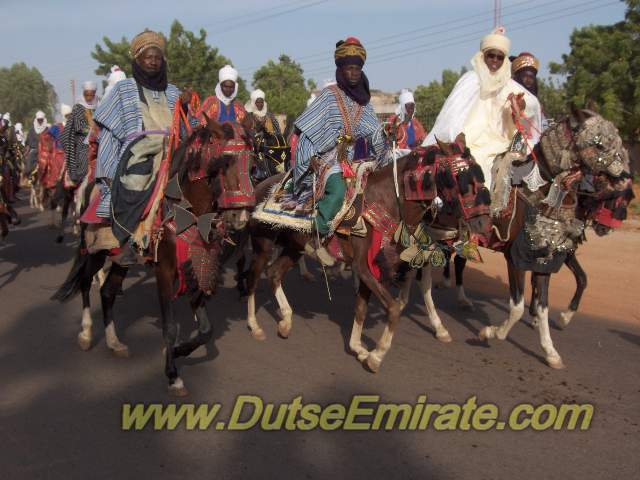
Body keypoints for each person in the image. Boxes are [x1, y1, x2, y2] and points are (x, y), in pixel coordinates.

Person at [93, 29, 193, 252]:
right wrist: (109, 172)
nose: (154, 62)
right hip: (138, 151)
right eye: (149, 57)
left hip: (172, 150)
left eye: (158, 57)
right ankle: (128, 236)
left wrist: (185, 105)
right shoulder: (124, 88)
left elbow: (187, 126)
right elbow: (109, 133)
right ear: (138, 60)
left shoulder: (173, 91)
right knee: (136, 181)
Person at [291, 37, 391, 237]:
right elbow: (307, 130)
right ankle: (318, 229)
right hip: (325, 156)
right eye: (349, 68)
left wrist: (386, 132)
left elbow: (374, 134)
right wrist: (311, 157)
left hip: (354, 158)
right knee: (338, 189)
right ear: (341, 70)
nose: (354, 73)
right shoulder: (329, 95)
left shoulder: (364, 102)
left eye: (357, 69)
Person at [423, 28, 542, 186]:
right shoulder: (471, 79)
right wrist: (453, 140)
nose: (495, 60)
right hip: (469, 140)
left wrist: (521, 104)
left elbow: (532, 103)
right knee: (475, 167)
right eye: (491, 55)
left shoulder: (507, 83)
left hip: (500, 141)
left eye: (500, 57)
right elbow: (451, 116)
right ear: (483, 56)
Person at [61, 81, 98, 184]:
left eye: (91, 95)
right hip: (83, 142)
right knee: (83, 163)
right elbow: (78, 127)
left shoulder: (99, 105)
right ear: (83, 94)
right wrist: (93, 131)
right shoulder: (78, 107)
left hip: (99, 140)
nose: (89, 97)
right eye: (87, 95)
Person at [24, 111, 48, 176]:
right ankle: (27, 177)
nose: (40, 121)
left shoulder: (47, 130)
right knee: (28, 168)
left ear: (43, 119)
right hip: (34, 150)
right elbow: (27, 142)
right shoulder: (31, 130)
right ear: (36, 119)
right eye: (38, 120)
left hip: (45, 151)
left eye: (41, 120)